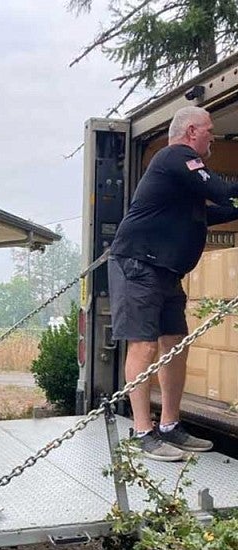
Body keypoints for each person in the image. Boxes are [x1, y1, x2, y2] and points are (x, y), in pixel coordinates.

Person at [108, 106, 238, 462]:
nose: (213, 137)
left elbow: (209, 212)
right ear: (191, 131)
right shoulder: (176, 158)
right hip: (138, 265)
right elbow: (222, 190)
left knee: (175, 345)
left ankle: (170, 425)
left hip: (165, 271)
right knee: (144, 347)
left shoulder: (183, 179)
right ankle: (142, 431)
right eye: (210, 130)